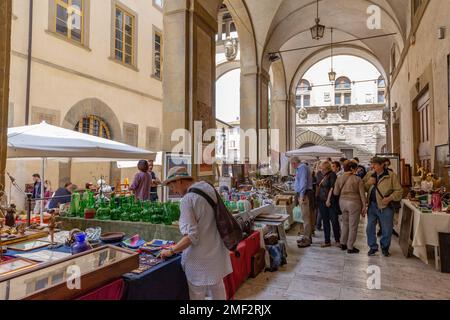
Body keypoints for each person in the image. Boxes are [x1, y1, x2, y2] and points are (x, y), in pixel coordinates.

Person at [159, 167, 232, 300]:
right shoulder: (207, 187)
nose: (174, 191)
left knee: (197, 294)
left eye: (172, 187)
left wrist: (171, 250)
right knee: (217, 288)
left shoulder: (188, 200)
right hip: (216, 251)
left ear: (179, 181)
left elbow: (191, 236)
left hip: (199, 258)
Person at [365, 157, 403, 257]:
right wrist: (368, 183)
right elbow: (363, 186)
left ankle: (385, 247)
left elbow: (399, 191)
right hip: (372, 205)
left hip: (385, 207)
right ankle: (373, 247)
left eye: (375, 164)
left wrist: (390, 198)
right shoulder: (369, 174)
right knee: (369, 227)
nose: (373, 166)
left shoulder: (391, 176)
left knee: (387, 229)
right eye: (372, 164)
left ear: (382, 165)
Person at [334, 161, 367, 254]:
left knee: (345, 224)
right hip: (354, 203)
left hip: (342, 202)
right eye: (356, 168)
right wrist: (364, 206)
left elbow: (335, 193)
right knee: (353, 226)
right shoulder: (358, 179)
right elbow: (362, 194)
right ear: (353, 169)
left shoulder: (339, 178)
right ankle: (350, 246)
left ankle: (343, 243)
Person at [316, 161, 341, 248]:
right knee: (325, 221)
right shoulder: (319, 174)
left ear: (327, 168)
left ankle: (337, 240)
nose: (322, 170)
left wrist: (328, 200)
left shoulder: (332, 175)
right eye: (321, 168)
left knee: (334, 221)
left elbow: (332, 188)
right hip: (321, 201)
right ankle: (327, 241)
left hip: (331, 202)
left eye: (323, 169)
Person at [291, 157, 314, 248]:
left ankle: (307, 238)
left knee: (305, 217)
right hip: (303, 194)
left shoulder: (302, 168)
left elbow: (303, 182)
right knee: (305, 217)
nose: (291, 166)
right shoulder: (301, 168)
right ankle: (306, 236)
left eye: (291, 164)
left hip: (304, 194)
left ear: (294, 163)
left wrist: (301, 196)